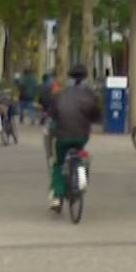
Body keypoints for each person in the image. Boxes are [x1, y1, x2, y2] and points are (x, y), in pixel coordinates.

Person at [46, 64, 101, 210]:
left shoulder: (60, 93)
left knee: (58, 164)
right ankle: (80, 173)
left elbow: (52, 113)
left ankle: (57, 196)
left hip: (62, 134)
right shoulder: (90, 94)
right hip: (81, 135)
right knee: (79, 151)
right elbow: (96, 114)